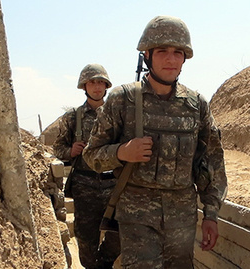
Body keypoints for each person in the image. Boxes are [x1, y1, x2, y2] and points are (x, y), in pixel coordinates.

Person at [83, 16, 227, 268]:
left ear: (185, 58)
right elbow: (91, 155)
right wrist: (122, 152)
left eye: (177, 52)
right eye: (162, 51)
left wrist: (211, 214)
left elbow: (211, 163)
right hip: (137, 217)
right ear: (147, 55)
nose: (171, 59)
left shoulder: (197, 105)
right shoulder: (122, 100)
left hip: (181, 218)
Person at [53, 63, 120, 269]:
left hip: (113, 185)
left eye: (101, 82)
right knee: (85, 239)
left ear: (107, 86)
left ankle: (105, 263)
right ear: (84, 86)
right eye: (92, 82)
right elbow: (58, 148)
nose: (97, 87)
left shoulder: (117, 114)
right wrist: (70, 151)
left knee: (121, 232)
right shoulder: (73, 117)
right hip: (85, 185)